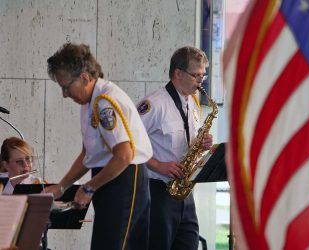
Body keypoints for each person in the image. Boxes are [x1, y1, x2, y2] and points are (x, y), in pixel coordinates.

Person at [44, 43, 153, 250]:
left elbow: (123, 156)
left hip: (124, 179)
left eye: (66, 87)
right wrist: (61, 186)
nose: (65, 94)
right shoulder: (90, 101)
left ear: (84, 77)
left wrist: (89, 187)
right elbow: (89, 154)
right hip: (110, 179)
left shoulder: (105, 101)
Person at [137, 46, 213, 250]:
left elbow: (189, 144)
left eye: (203, 76)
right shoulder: (154, 104)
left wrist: (202, 145)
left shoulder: (192, 104)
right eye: (196, 75)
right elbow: (127, 144)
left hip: (184, 192)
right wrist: (157, 165)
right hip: (157, 192)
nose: (200, 81)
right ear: (178, 73)